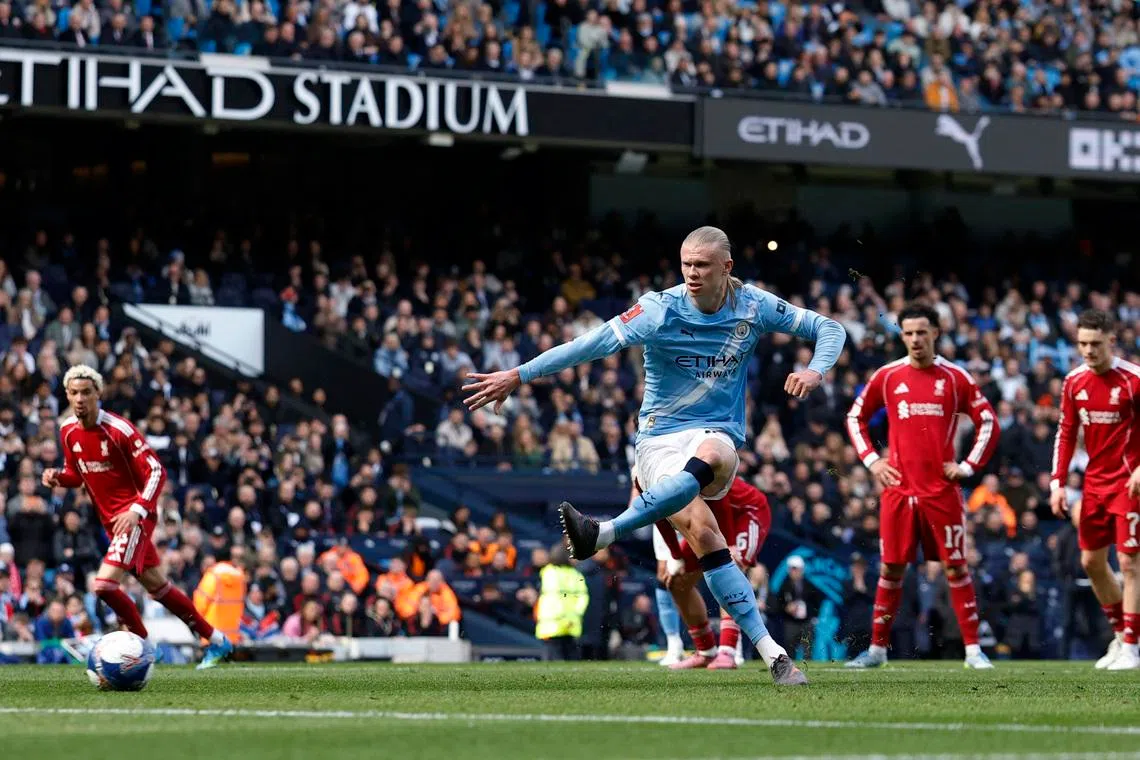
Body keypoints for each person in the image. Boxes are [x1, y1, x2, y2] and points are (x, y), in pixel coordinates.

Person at [464, 226, 846, 685]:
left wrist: (816, 370)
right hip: (658, 439)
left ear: (727, 267)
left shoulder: (754, 306)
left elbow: (829, 327)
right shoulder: (658, 309)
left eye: (702, 265)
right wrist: (519, 375)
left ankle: (605, 532)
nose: (691, 273)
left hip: (717, 432)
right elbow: (589, 344)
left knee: (713, 454)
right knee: (705, 535)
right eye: (685, 263)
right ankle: (774, 655)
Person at [42, 364, 234, 669]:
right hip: (112, 523)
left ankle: (143, 645)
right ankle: (217, 640)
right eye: (74, 393)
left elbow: (157, 470)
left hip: (135, 516)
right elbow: (76, 475)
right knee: (159, 588)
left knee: (103, 586)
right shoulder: (67, 431)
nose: (80, 399)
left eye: (86, 393)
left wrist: (137, 509)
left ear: (98, 394)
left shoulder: (119, 430)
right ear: (67, 394)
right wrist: (58, 478)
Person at [845, 303, 999, 670]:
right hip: (898, 491)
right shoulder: (888, 376)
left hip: (941, 490)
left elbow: (988, 421)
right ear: (902, 336)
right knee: (891, 569)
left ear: (936, 334)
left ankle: (974, 652)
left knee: (956, 567)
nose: (915, 339)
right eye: (909, 333)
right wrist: (873, 461)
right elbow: (855, 416)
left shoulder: (955, 377)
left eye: (922, 332)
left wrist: (967, 467)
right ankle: (878, 652)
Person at [1051, 309, 1140, 671]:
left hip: (1129, 482)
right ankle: (1121, 636)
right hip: (1094, 484)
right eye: (1082, 344)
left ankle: (1132, 648)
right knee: (1090, 562)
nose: (1088, 350)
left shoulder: (1134, 380)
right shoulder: (1074, 381)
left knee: (1130, 562)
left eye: (1095, 344)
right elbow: (1066, 432)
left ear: (1111, 342)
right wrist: (1057, 483)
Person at [652, 474, 771, 670]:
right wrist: (676, 555)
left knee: (730, 572)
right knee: (676, 581)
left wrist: (731, 543)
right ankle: (706, 651)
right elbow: (659, 517)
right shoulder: (647, 481)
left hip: (745, 512)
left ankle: (728, 651)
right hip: (710, 520)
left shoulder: (678, 468)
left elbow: (719, 497)